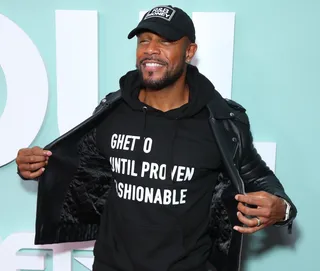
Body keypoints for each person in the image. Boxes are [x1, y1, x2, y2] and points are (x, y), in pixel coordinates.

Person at [15, 5, 297, 271]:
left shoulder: (220, 122)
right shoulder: (112, 111)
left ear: (190, 51)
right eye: (144, 40)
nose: (150, 50)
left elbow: (257, 177)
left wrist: (282, 210)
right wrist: (34, 167)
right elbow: (80, 169)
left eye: (165, 41)